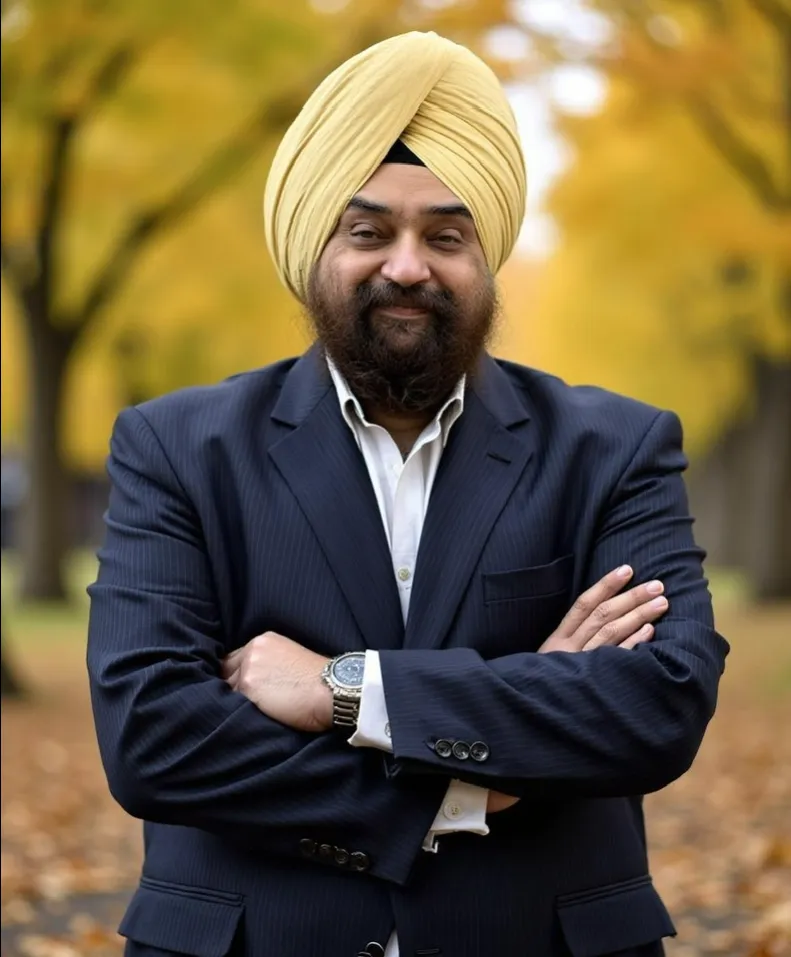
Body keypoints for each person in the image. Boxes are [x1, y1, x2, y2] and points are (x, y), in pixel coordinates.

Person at [86, 30, 729, 957]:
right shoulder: (178, 448)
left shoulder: (613, 448)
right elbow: (154, 738)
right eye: (367, 230)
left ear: (488, 251)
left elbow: (658, 702)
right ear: (317, 245)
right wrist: (472, 779)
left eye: (445, 233)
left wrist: (347, 691)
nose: (406, 265)